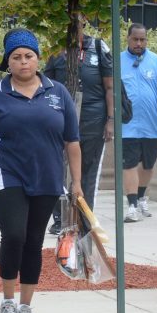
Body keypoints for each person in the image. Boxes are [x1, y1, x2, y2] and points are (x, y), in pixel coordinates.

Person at [0, 29, 82, 313]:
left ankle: (26, 305)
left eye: (29, 56)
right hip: (7, 175)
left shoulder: (58, 93)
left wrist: (77, 183)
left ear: (38, 59)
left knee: (33, 240)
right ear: (8, 62)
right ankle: (6, 301)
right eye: (16, 57)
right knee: (14, 234)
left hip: (47, 177)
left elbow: (72, 141)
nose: (23, 62)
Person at [43, 18, 113, 234]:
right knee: (57, 167)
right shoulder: (55, 51)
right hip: (62, 120)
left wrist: (110, 120)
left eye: (78, 23)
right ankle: (60, 218)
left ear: (84, 23)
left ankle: (85, 217)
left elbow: (110, 87)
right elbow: (45, 86)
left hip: (94, 119)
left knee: (88, 171)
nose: (74, 28)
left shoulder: (98, 47)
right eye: (69, 23)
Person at [120, 23, 157, 222]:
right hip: (127, 125)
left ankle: (142, 196)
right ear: (128, 38)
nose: (138, 43)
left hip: (153, 124)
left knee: (147, 165)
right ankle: (132, 206)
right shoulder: (117, 62)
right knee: (129, 164)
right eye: (135, 39)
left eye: (142, 39)